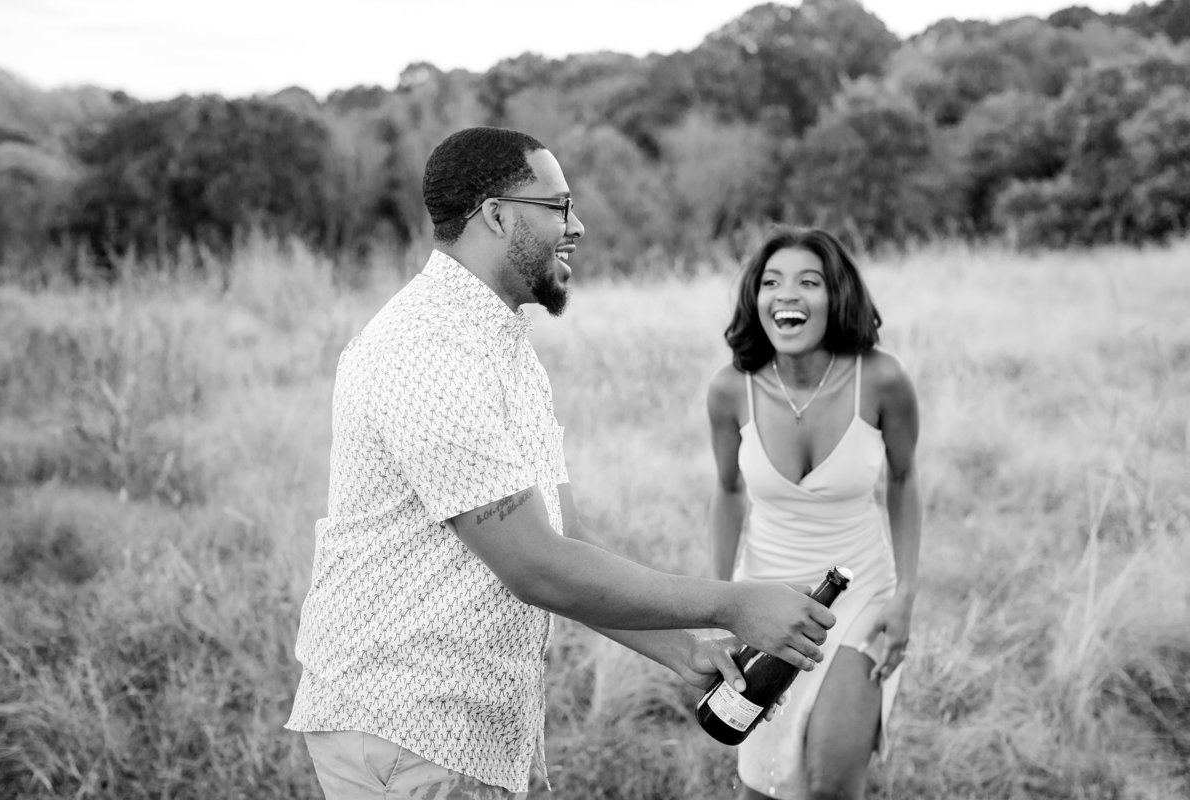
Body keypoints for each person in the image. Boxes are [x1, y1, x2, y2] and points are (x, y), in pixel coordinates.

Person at [285, 127, 837, 800]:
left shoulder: (503, 346)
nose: (577, 226)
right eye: (560, 206)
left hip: (454, 734)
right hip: (409, 732)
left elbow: (564, 543)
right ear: (497, 214)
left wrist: (682, 649)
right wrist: (735, 605)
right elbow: (536, 567)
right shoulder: (427, 351)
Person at [706, 227, 922, 800]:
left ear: (837, 296)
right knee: (761, 786)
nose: (787, 295)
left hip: (859, 598)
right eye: (771, 282)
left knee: (831, 783)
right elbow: (728, 493)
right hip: (763, 598)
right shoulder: (731, 391)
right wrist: (720, 603)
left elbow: (903, 479)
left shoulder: (881, 380)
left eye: (809, 281)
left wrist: (906, 597)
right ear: (756, 299)